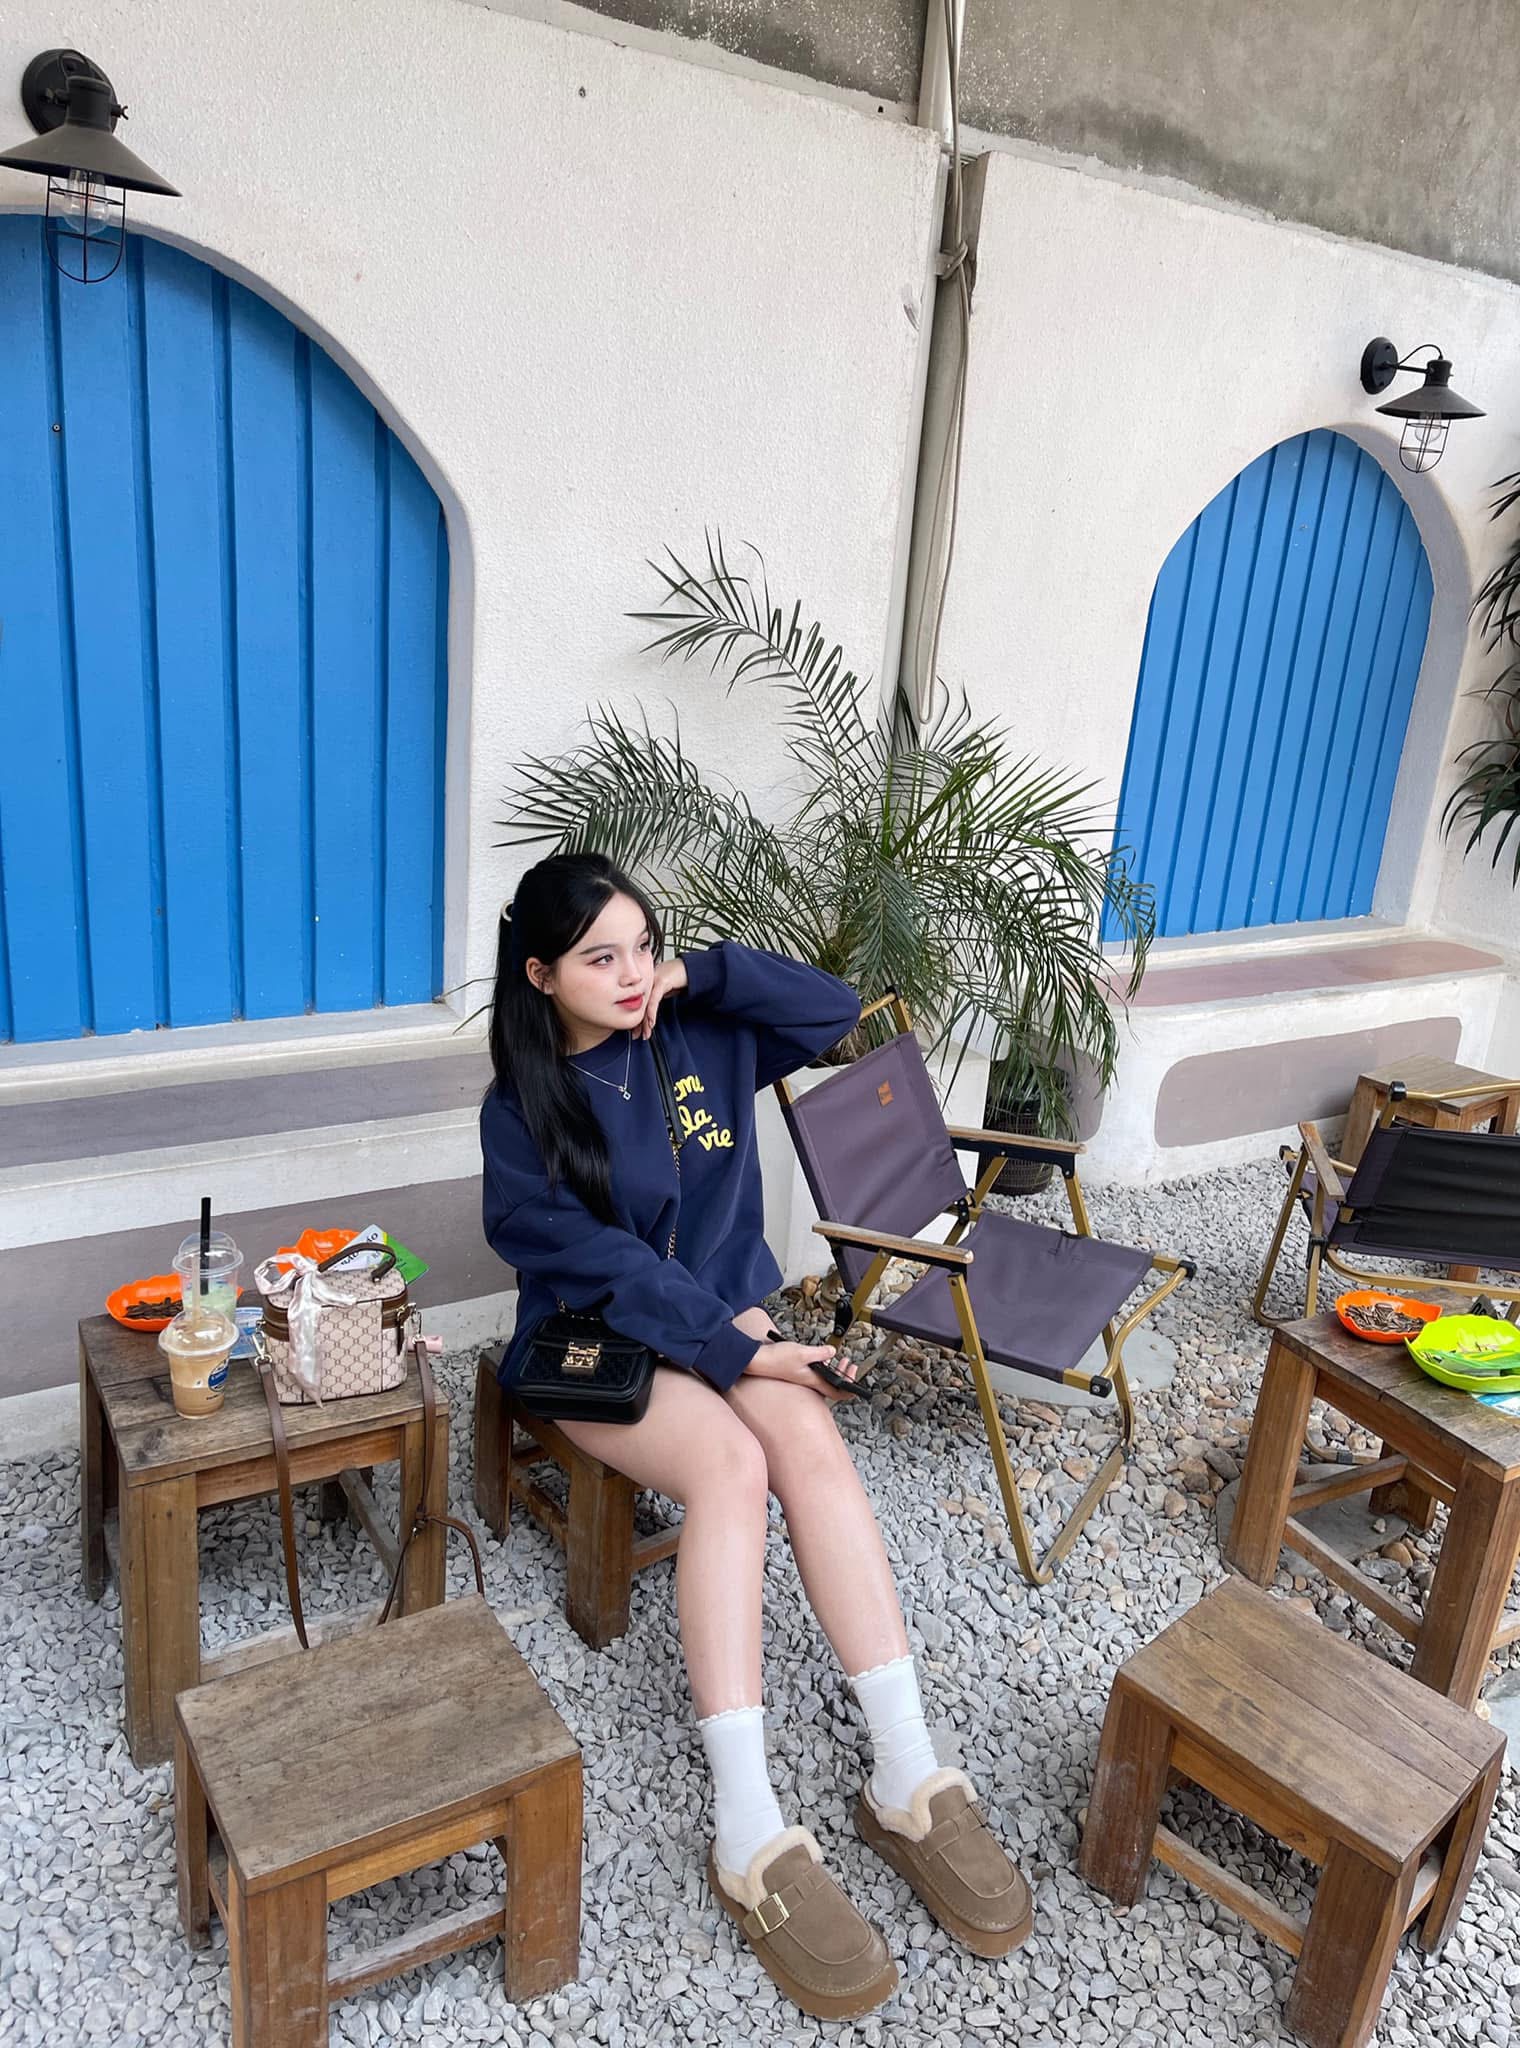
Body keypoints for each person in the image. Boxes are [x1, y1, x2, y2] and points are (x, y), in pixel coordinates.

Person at [481, 851, 1030, 2020]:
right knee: (731, 1464)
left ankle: (905, 1769)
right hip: (595, 1339)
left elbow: (832, 1011)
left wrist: (701, 970)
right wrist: (743, 1350)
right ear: (539, 974)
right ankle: (746, 1825)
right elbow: (600, 1262)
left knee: (811, 1443)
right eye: (598, 957)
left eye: (641, 945)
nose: (630, 973)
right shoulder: (521, 1108)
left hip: (724, 1314)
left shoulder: (701, 1029)